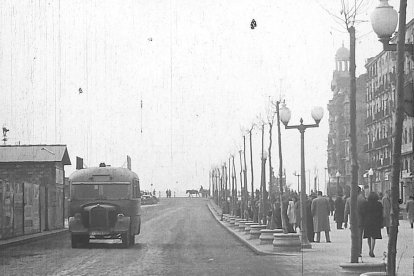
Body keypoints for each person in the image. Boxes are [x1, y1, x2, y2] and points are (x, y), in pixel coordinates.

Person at [344, 186, 366, 256]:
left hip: (352, 221)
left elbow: (346, 211)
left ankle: (354, 250)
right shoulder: (362, 199)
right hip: (361, 221)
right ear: (359, 191)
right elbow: (365, 212)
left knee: (353, 236)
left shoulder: (349, 200)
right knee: (359, 237)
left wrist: (345, 222)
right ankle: (359, 251)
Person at [360, 192, 383, 257]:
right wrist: (381, 223)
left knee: (369, 236)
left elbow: (362, 212)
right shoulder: (379, 204)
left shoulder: (365, 204)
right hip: (376, 221)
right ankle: (372, 250)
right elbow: (381, 214)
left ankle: (370, 248)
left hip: (367, 222)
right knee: (374, 237)